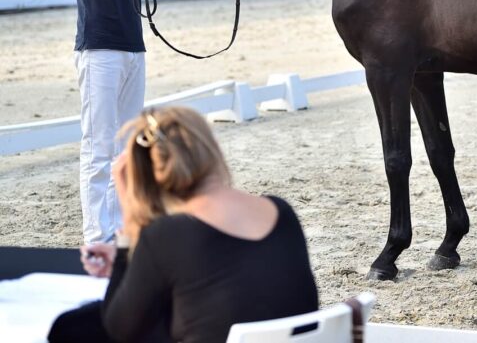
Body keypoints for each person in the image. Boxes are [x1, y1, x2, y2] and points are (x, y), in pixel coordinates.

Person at [72, 0, 245, 244]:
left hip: (134, 48)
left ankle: (122, 230)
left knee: (126, 149)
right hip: (98, 48)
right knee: (98, 148)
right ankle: (97, 239)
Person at [49, 106, 318, 343]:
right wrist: (138, 258)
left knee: (73, 328)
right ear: (210, 149)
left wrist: (130, 231)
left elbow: (119, 328)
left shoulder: (167, 235)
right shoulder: (281, 211)